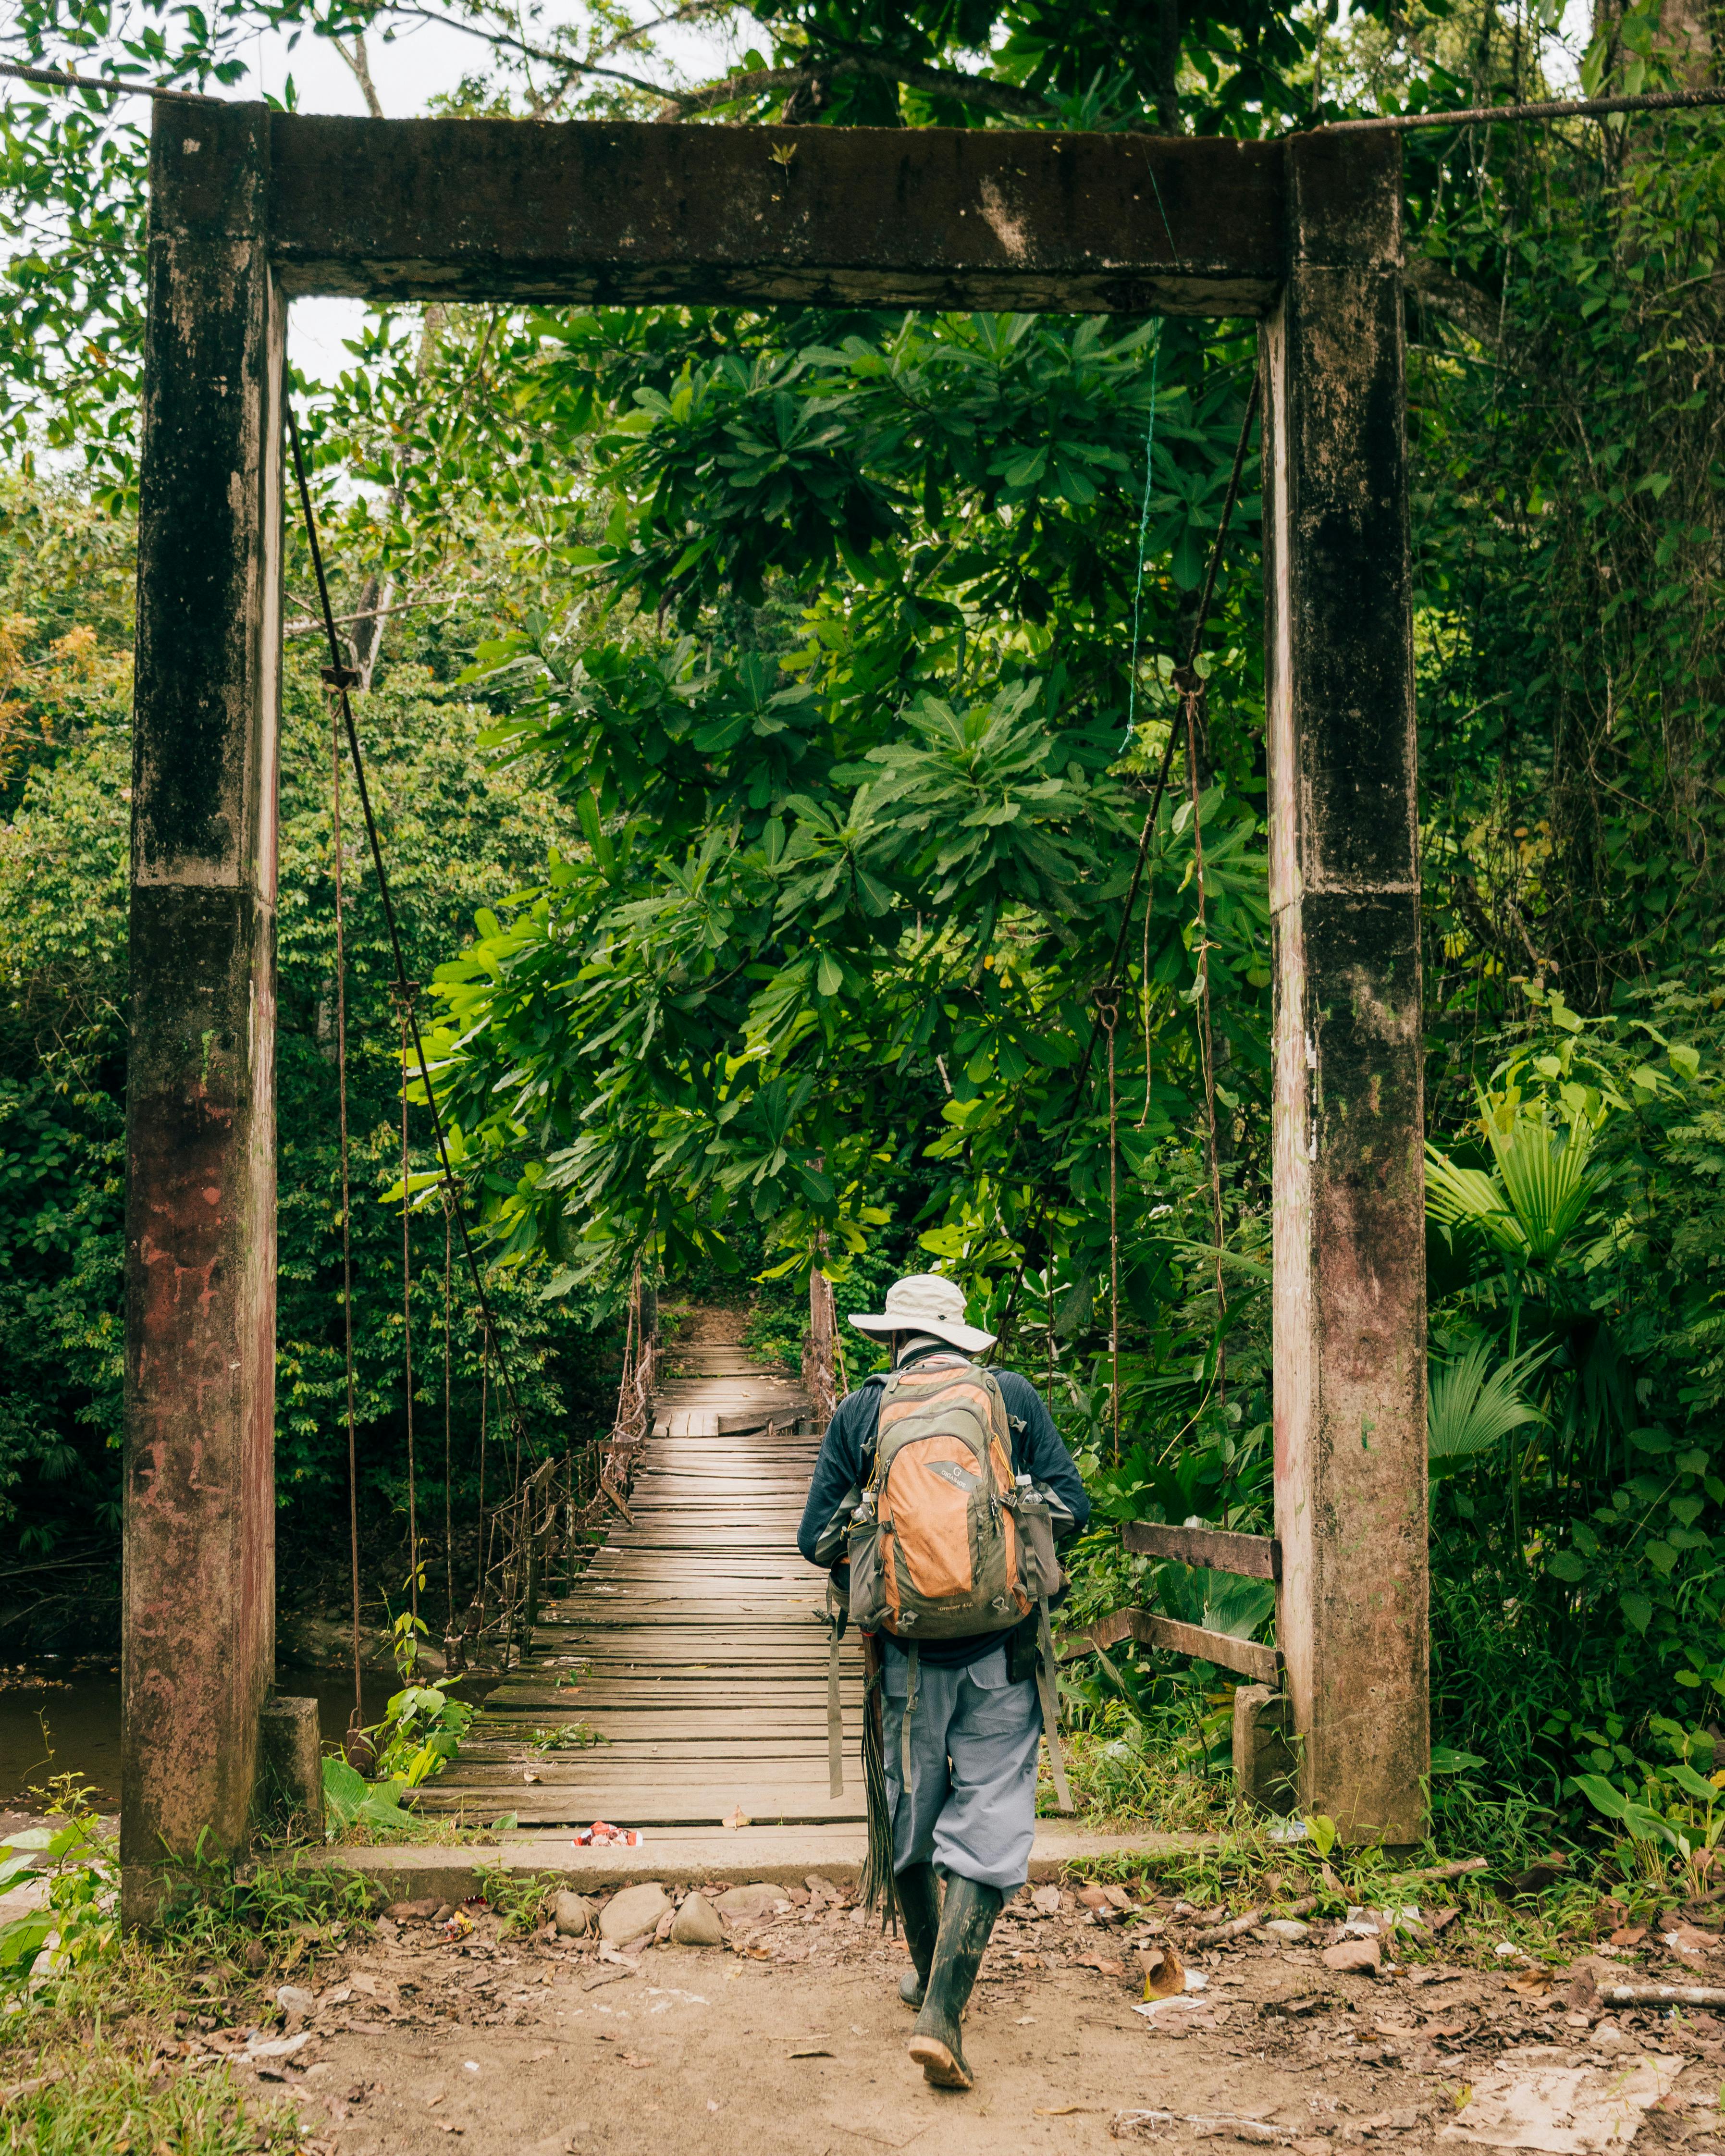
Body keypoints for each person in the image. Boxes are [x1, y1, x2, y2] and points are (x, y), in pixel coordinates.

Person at [796, 1272, 1089, 2093]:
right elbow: (1073, 1506)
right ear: (959, 1336)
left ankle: (932, 1987)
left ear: (891, 1339)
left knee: (911, 1821)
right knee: (990, 1822)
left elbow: (813, 1541)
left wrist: (881, 1535)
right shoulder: (1009, 1397)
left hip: (905, 1663)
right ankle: (940, 2011)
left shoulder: (862, 1411)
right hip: (1001, 1654)